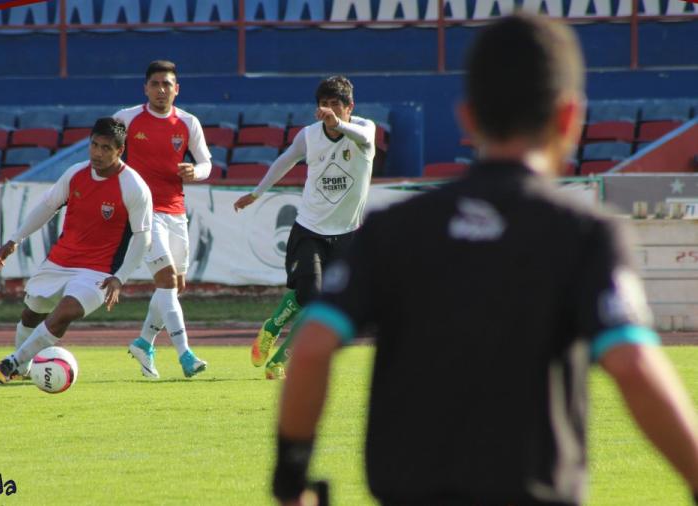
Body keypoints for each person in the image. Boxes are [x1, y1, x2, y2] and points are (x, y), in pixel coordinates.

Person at [273, 14, 698, 506]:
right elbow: (633, 365)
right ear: (569, 118)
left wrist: (292, 480)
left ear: (468, 118)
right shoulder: (586, 236)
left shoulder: (395, 230)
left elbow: (312, 346)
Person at [0, 118, 152, 384]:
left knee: (66, 311)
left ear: (119, 151)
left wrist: (120, 277)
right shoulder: (75, 173)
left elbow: (142, 237)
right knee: (31, 312)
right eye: (94, 145)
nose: (97, 153)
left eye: (106, 148)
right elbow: (46, 206)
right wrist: (15, 239)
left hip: (99, 271)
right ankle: (25, 367)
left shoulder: (133, 187)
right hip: (59, 261)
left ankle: (12, 362)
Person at [233, 76, 375, 380]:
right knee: (312, 295)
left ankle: (279, 360)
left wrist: (339, 123)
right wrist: (256, 193)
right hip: (309, 229)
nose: (329, 110)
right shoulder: (309, 136)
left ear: (351, 107)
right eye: (324, 104)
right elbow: (284, 161)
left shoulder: (364, 130)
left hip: (347, 234)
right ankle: (272, 327)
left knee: (325, 305)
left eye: (336, 104)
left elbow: (362, 138)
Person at [113, 60, 211, 379]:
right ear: (146, 88)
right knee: (166, 280)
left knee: (174, 286)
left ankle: (144, 342)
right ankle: (185, 354)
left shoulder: (188, 122)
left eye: (167, 84)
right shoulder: (126, 119)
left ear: (176, 88)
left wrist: (196, 171)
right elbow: (104, 155)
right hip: (143, 213)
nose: (161, 89)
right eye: (155, 84)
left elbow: (207, 162)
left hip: (176, 212)